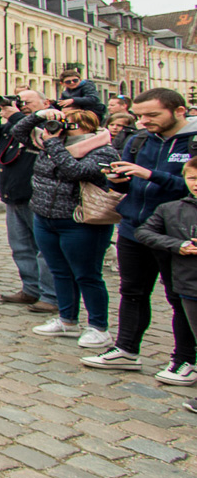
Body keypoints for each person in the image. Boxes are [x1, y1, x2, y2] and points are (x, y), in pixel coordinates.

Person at [82, 87, 197, 378]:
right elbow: (130, 186)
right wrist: (117, 180)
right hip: (134, 227)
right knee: (132, 291)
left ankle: (186, 359)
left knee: (180, 297)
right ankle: (126, 350)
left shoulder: (193, 142)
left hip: (176, 234)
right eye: (141, 115)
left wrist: (150, 175)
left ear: (179, 111)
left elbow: (190, 187)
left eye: (153, 115)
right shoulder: (138, 139)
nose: (144, 121)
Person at [24, 109, 119, 346]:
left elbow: (74, 171)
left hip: (81, 222)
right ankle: (67, 320)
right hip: (45, 217)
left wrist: (55, 143)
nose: (63, 127)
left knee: (87, 275)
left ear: (86, 126)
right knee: (60, 272)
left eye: (69, 124)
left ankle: (98, 326)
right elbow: (19, 131)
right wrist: (39, 115)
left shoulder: (103, 149)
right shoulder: (48, 144)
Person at [0, 92, 56, 313]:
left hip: (37, 197)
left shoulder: (51, 122)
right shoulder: (12, 124)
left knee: (44, 249)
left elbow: (38, 136)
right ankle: (31, 289)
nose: (22, 106)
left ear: (45, 104)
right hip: (13, 194)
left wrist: (15, 116)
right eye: (19, 102)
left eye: (27, 103)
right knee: (21, 247)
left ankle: (50, 295)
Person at [133, 158, 197, 390]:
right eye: (192, 178)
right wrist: (177, 244)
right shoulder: (171, 209)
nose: (196, 184)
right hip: (189, 284)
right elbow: (144, 232)